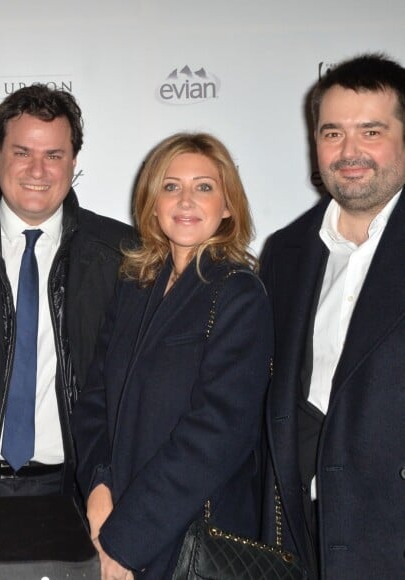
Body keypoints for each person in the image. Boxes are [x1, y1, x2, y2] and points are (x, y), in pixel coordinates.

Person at [73, 132, 273, 579]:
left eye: (204, 186)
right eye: (171, 186)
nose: (185, 200)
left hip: (188, 539)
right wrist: (99, 487)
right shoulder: (134, 286)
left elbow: (216, 436)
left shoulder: (238, 293)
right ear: (152, 202)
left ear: (227, 207)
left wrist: (124, 542)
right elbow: (95, 399)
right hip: (114, 519)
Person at [0, 84, 135, 498]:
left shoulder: (124, 255)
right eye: (23, 152)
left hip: (78, 493)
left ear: (73, 161)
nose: (37, 171)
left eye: (53, 156)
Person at [260, 53, 405, 579]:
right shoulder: (286, 251)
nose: (349, 152)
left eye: (371, 131)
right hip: (306, 535)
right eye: (332, 133)